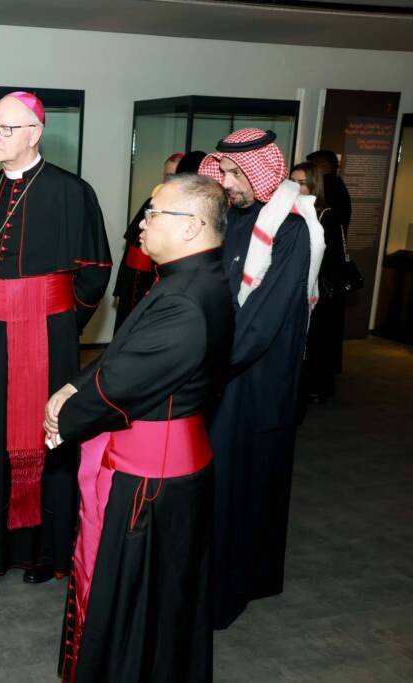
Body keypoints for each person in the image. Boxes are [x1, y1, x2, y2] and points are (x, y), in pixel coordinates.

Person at [45, 173, 233, 682]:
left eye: (153, 214)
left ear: (191, 227)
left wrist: (65, 415)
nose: (141, 224)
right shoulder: (190, 278)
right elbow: (124, 352)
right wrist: (73, 386)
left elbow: (124, 381)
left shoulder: (184, 299)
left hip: (151, 479)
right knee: (157, 601)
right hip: (165, 463)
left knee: (135, 603)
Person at [0, 91, 111, 584]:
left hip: (44, 337)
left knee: (43, 436)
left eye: (6, 129)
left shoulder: (71, 191)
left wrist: (59, 325)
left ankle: (41, 549)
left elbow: (94, 274)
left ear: (35, 133)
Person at [200, 128, 325, 629]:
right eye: (224, 172)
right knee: (220, 482)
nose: (228, 182)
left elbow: (261, 320)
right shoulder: (230, 217)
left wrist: (202, 364)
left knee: (245, 483)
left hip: (255, 376)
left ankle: (229, 592)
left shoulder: (290, 229)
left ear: (262, 171)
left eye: (237, 173)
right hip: (221, 368)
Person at [112, 152, 183, 331]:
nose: (169, 181)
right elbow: (130, 246)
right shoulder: (150, 202)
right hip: (131, 284)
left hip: (155, 285)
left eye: (175, 176)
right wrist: (120, 286)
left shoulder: (185, 212)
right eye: (167, 176)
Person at [303, 152, 351, 399]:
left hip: (324, 277)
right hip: (329, 276)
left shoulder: (328, 198)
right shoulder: (339, 188)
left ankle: (318, 384)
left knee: (320, 334)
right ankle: (322, 383)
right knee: (326, 334)